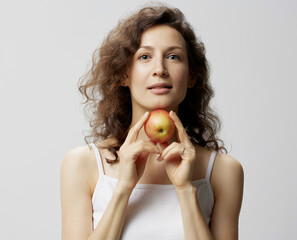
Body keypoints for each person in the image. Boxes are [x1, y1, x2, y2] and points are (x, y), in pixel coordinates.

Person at [60, 4, 244, 240]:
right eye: (145, 56)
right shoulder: (81, 164)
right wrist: (123, 189)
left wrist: (186, 190)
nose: (160, 69)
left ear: (191, 76)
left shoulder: (223, 171)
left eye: (173, 56)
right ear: (123, 74)